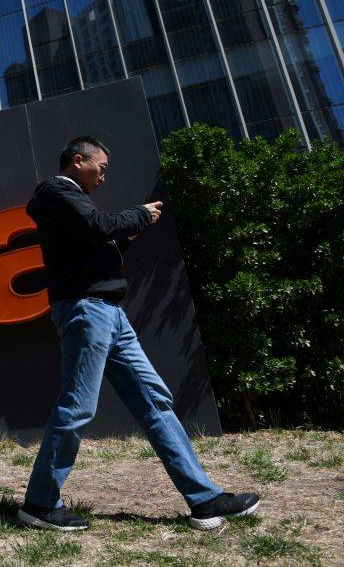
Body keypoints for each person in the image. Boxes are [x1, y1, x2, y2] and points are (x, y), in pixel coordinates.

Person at [16, 136, 259, 532]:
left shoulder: (71, 204)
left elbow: (98, 241)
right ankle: (40, 503)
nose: (104, 176)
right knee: (77, 407)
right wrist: (139, 217)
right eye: (102, 167)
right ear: (78, 161)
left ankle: (203, 499)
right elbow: (99, 225)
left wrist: (122, 239)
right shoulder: (56, 191)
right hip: (86, 310)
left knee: (155, 400)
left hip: (110, 314)